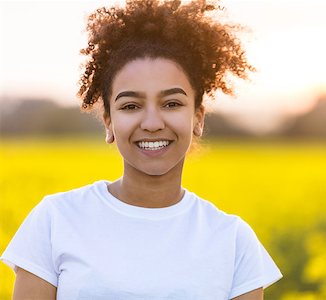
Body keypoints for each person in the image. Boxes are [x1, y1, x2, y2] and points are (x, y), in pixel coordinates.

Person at [0, 0, 283, 299]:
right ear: (108, 121)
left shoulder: (234, 240)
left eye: (171, 104)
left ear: (198, 118)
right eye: (131, 106)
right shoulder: (55, 220)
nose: (151, 123)